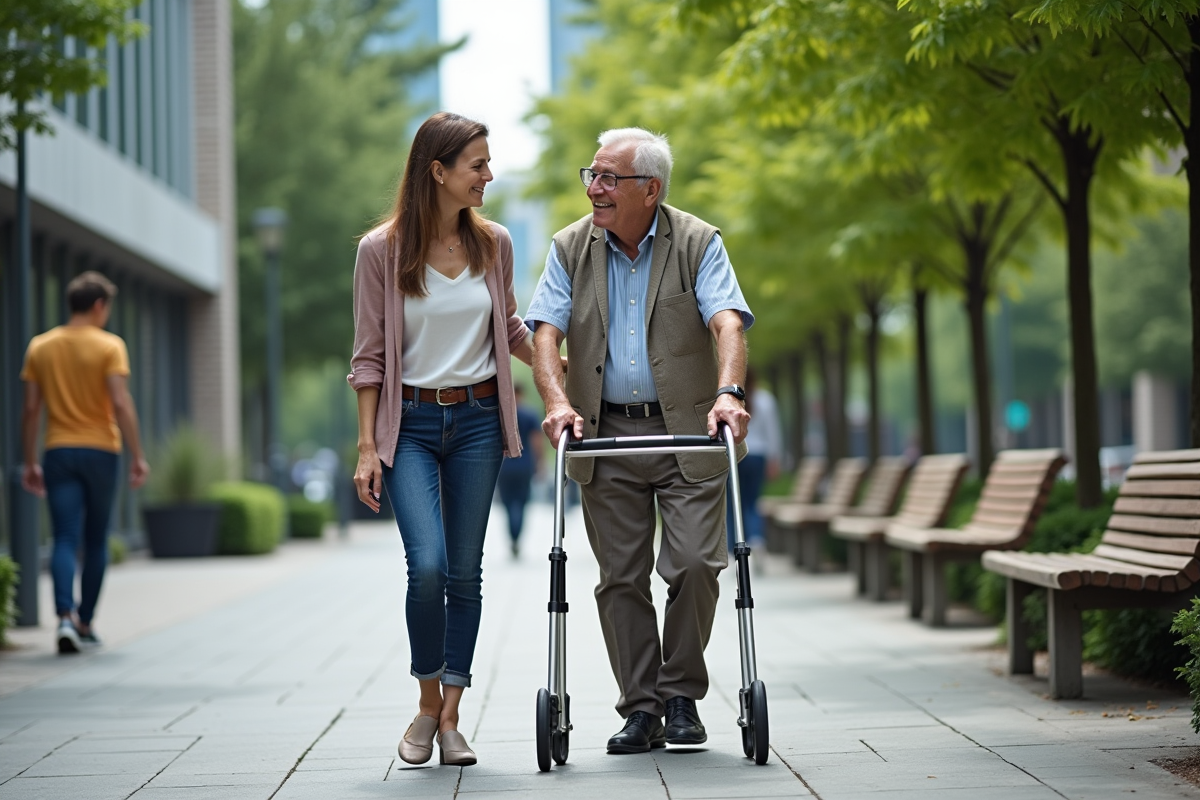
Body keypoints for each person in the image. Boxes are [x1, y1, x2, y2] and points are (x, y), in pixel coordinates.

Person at [526, 127, 753, 755]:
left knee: (696, 567)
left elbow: (727, 320)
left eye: (608, 178)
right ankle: (642, 708)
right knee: (620, 576)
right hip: (604, 433)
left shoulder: (698, 242)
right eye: (591, 176)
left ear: (649, 190)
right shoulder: (571, 247)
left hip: (687, 428)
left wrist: (729, 391)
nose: (594, 188)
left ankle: (681, 692)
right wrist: (557, 402)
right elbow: (544, 333)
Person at [348, 112, 534, 768]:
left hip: (481, 419)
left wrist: (557, 369)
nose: (489, 175)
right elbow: (369, 358)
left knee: (464, 572)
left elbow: (510, 327)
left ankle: (450, 716)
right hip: (413, 426)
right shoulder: (382, 252)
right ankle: (428, 700)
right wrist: (368, 447)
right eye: (477, 164)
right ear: (438, 171)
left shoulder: (495, 244)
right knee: (426, 567)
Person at [20, 271, 150, 655]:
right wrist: (138, 454)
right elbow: (121, 403)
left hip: (58, 450)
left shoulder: (40, 347)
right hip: (101, 451)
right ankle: (86, 621)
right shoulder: (110, 346)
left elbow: (30, 409)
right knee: (95, 540)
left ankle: (63, 617)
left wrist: (29, 461)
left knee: (63, 537)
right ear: (98, 305)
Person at [725, 367, 782, 553]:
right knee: (752, 501)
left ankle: (734, 547)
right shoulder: (765, 399)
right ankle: (756, 538)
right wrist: (775, 459)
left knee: (733, 503)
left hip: (735, 454)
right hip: (758, 456)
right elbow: (773, 432)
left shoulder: (728, 399)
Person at [496, 384, 542, 558]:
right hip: (524, 466)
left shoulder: (501, 415)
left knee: (508, 504)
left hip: (504, 466)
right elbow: (536, 441)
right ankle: (516, 537)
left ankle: (513, 536)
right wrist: (540, 463)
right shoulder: (529, 414)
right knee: (521, 503)